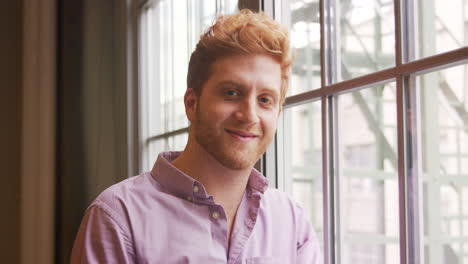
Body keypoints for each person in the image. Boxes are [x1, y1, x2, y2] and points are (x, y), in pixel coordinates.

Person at [71, 9, 321, 263]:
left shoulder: (293, 224)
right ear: (192, 103)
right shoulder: (118, 218)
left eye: (265, 100)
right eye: (232, 93)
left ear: (277, 113)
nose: (249, 116)